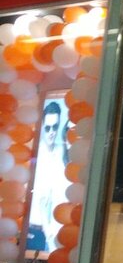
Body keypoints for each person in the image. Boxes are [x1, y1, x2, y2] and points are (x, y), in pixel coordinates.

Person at [27, 102, 71, 252]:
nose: (51, 132)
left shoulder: (61, 153)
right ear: (42, 126)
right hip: (35, 229)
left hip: (55, 229)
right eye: (48, 128)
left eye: (55, 127)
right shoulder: (36, 155)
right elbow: (40, 198)